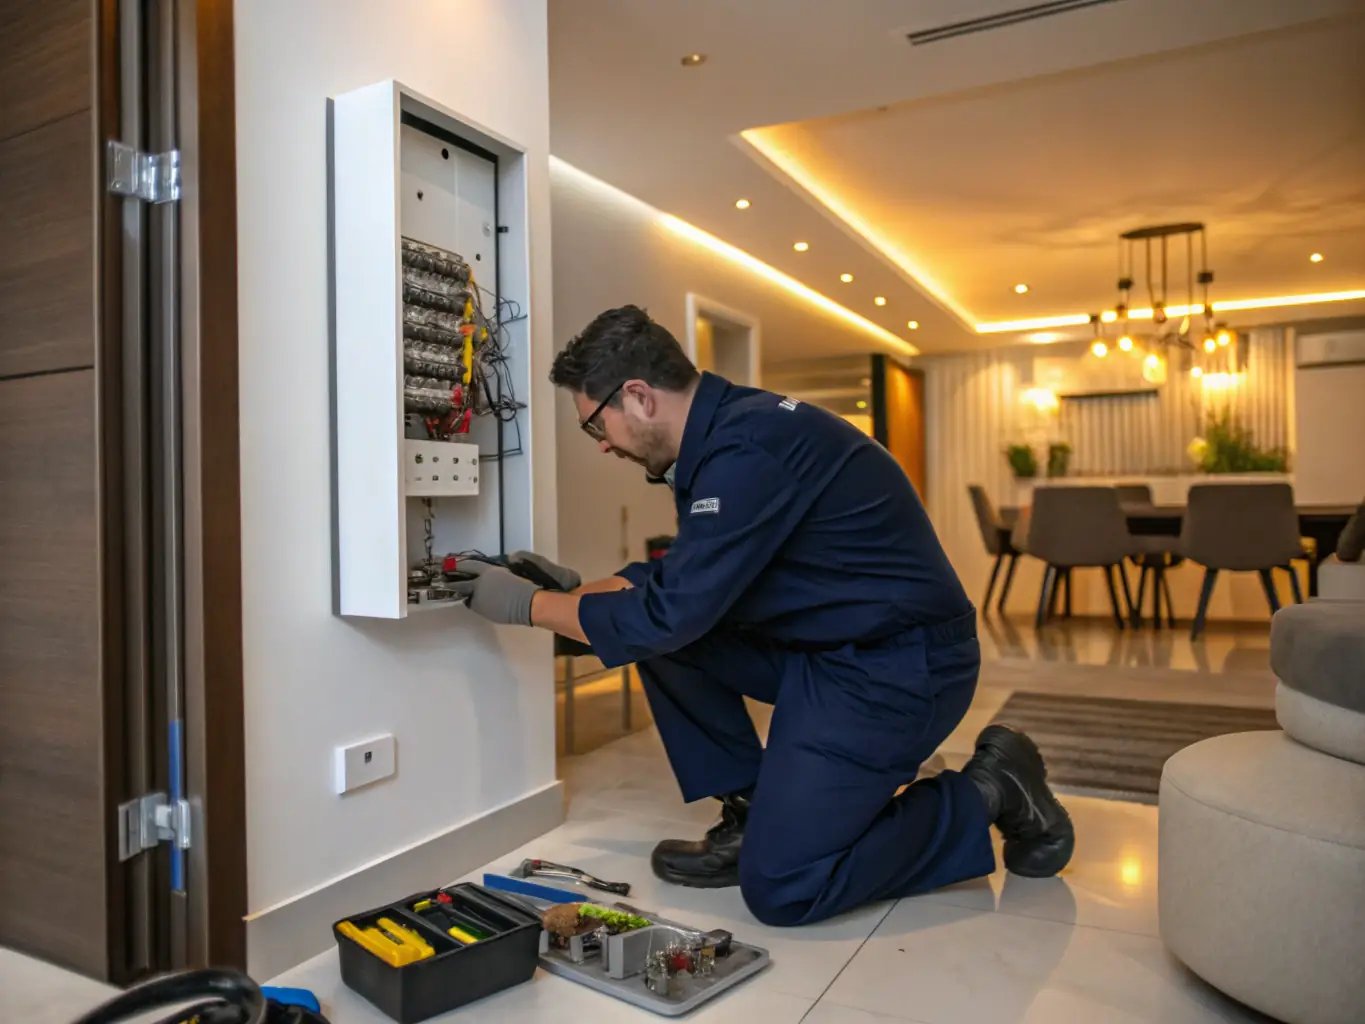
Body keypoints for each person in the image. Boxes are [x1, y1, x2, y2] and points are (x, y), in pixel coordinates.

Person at [454, 306, 1073, 927]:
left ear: (638, 396)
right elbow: (677, 586)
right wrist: (577, 594)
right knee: (663, 625)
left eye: (597, 426)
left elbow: (667, 612)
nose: (605, 445)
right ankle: (751, 815)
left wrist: (527, 607)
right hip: (830, 654)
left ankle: (992, 788)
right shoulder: (726, 435)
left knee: (786, 885)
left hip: (900, 670)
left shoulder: (749, 449)